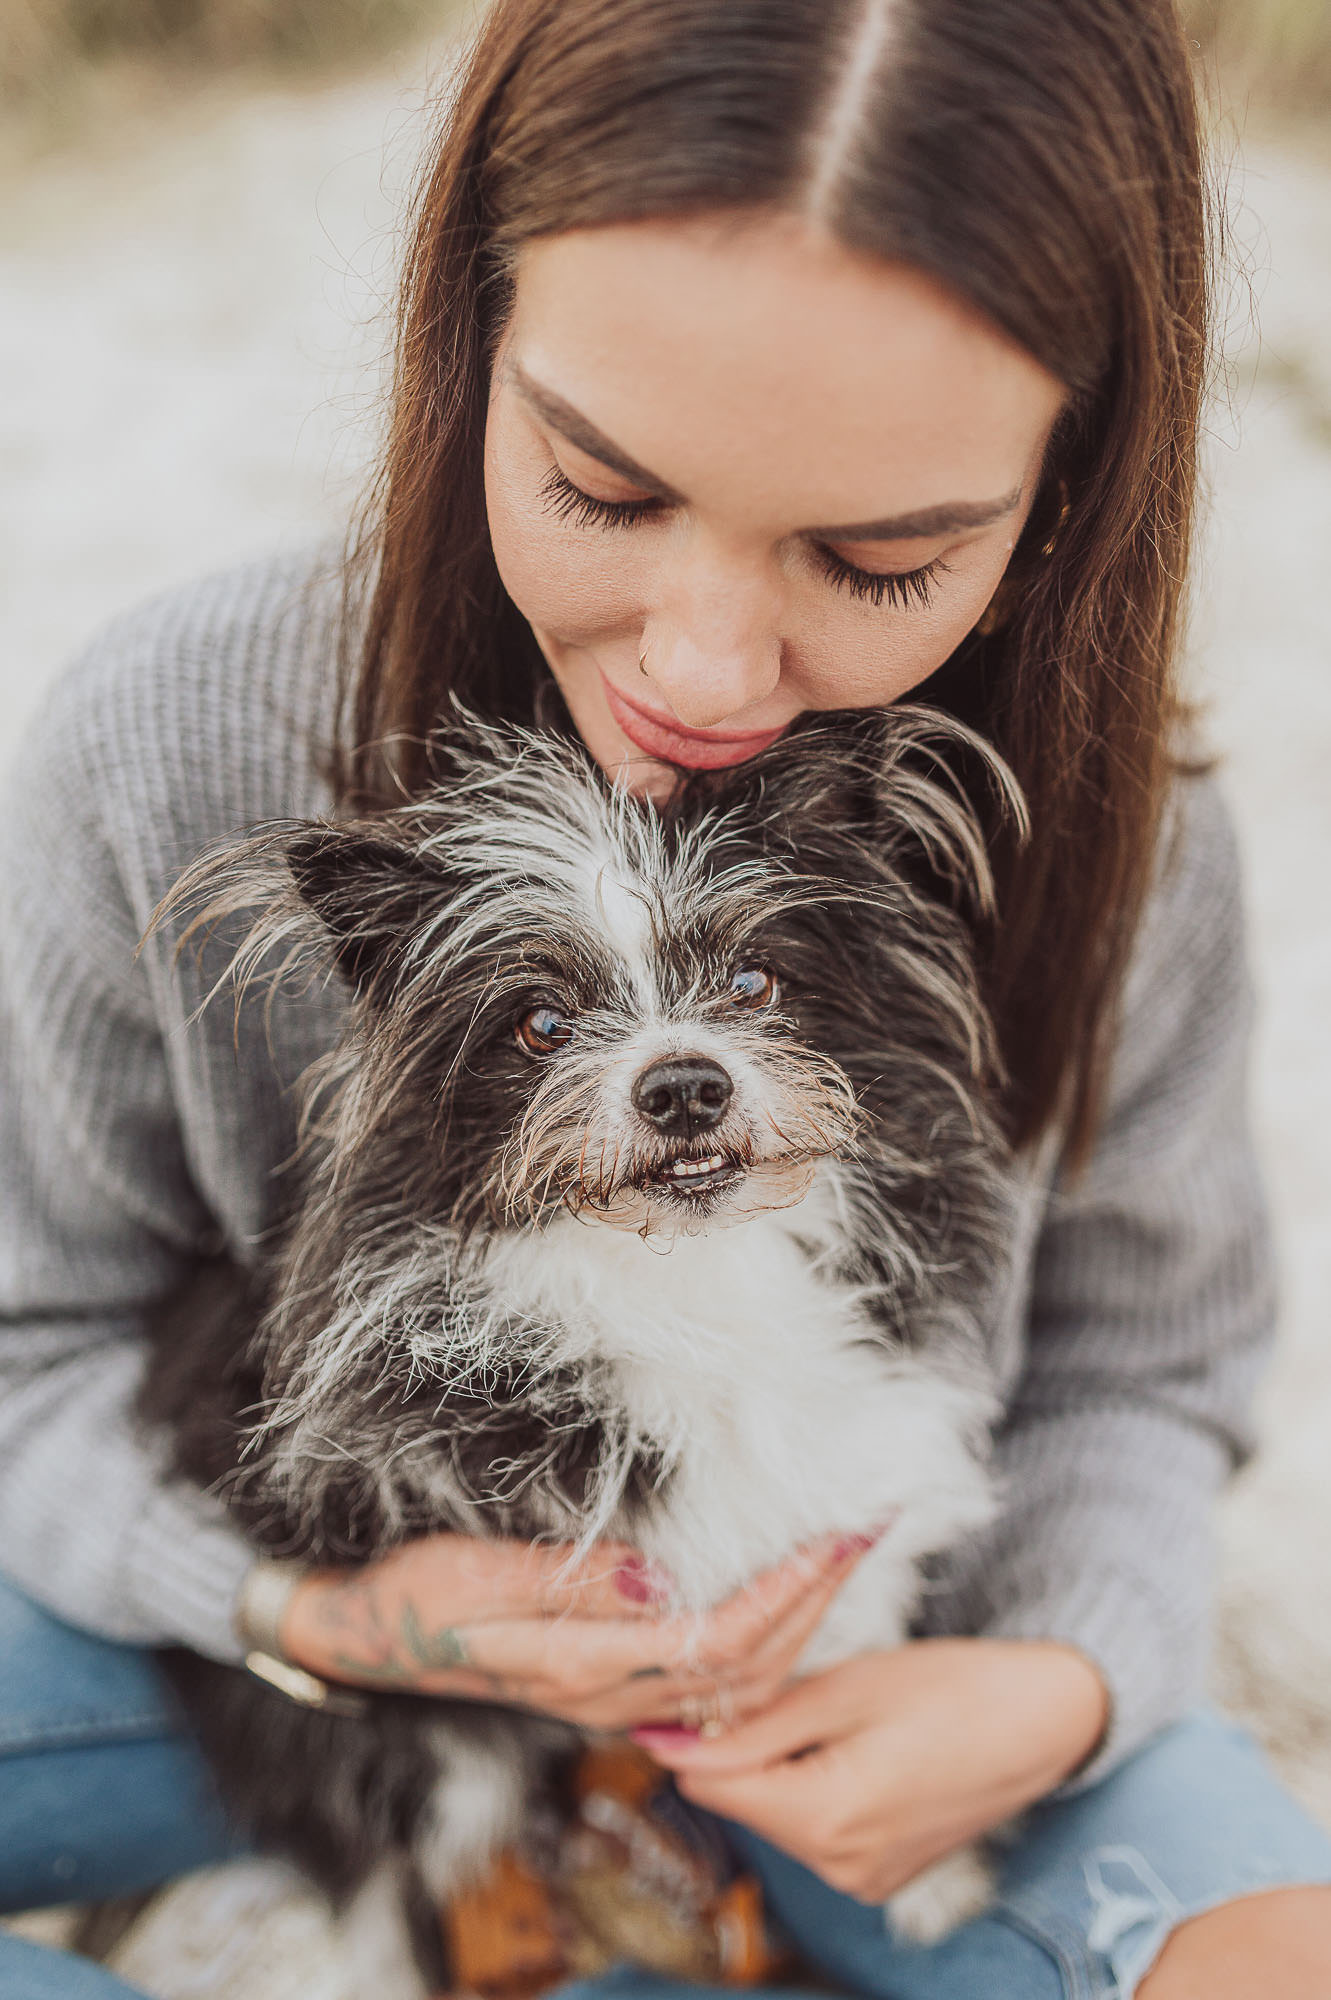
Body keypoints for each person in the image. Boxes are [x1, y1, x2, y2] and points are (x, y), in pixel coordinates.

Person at [2, 0, 1330, 1995]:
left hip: (898, 1650)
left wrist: (1053, 1687)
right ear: (471, 341)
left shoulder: (1125, 828)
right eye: (604, 490)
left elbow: (1145, 1366)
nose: (703, 677)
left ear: (1062, 491)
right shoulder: (167, 731)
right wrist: (322, 1618)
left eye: (878, 557)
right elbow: (33, 1342)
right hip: (281, 1658)